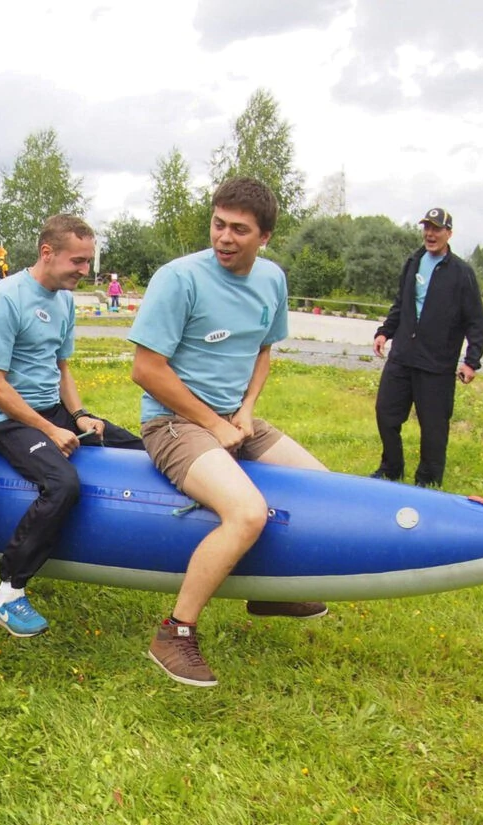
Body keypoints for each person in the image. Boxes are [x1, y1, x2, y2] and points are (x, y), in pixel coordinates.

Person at [130, 177, 332, 688]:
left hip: (233, 417)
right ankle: (174, 633)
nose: (224, 237)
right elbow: (146, 369)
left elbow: (263, 348)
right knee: (246, 512)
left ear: (264, 237)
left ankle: (270, 591)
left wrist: (244, 412)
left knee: (324, 489)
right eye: (218, 224)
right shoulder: (179, 279)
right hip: (173, 423)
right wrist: (213, 424)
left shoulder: (271, 280)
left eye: (239, 230)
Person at [0, 215, 144, 637]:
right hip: (8, 419)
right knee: (63, 484)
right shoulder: (5, 298)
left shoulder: (63, 299)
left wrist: (81, 414)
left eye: (89, 261)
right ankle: (9, 591)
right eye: (78, 261)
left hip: (52, 410)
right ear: (47, 253)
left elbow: (61, 366)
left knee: (138, 445)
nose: (85, 271)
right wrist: (49, 430)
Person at [371, 206, 483, 489]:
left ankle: (428, 481)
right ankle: (391, 468)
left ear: (449, 233)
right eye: (427, 228)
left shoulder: (461, 273)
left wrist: (471, 361)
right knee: (386, 413)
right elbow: (402, 303)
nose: (430, 234)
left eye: (436, 229)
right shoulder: (413, 261)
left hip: (437, 364)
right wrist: (385, 332)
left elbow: (476, 321)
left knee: (434, 429)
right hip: (402, 357)